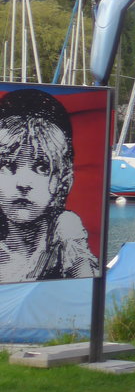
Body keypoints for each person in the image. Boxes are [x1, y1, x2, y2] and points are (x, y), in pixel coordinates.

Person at [0, 88, 99, 283]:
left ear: (64, 180)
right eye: (9, 164)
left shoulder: (65, 232)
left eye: (42, 167)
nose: (24, 183)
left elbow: (87, 289)